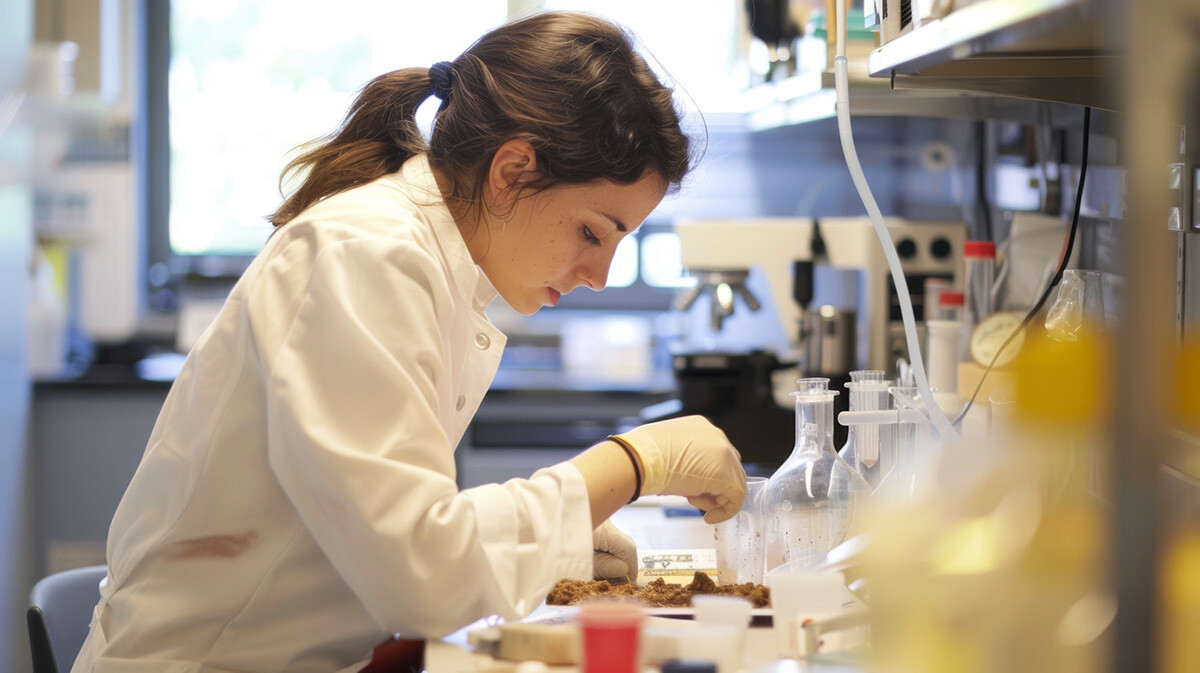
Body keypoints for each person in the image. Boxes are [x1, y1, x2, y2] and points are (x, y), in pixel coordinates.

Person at [73, 11, 746, 673]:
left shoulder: (425, 261)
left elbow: (396, 527)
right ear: (513, 169)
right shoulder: (366, 253)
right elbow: (422, 576)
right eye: (593, 232)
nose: (598, 276)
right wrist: (633, 463)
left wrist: (548, 538)